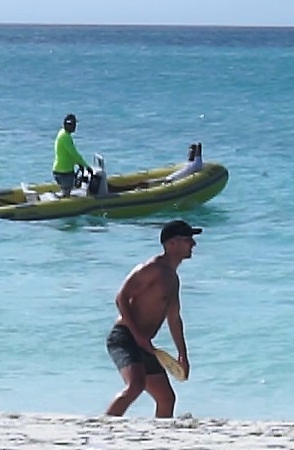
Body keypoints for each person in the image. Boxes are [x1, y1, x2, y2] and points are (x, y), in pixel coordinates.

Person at [105, 220, 201, 418]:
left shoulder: (173, 279)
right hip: (124, 337)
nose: (193, 244)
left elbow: (174, 318)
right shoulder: (153, 268)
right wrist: (138, 336)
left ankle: (161, 437)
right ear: (171, 244)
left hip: (144, 343)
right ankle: (104, 426)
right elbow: (121, 297)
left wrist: (182, 354)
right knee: (135, 386)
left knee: (166, 398)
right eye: (188, 239)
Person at [53, 114, 88, 195]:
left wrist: (79, 164)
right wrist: (87, 166)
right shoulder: (65, 137)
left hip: (61, 170)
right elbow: (74, 153)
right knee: (67, 193)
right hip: (63, 172)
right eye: (73, 125)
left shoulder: (63, 133)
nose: (75, 127)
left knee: (69, 190)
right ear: (68, 125)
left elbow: (69, 154)